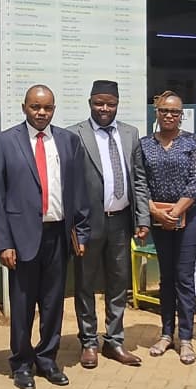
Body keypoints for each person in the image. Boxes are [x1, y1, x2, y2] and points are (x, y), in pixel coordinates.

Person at [0, 85, 89, 389]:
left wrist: (81, 231)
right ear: (24, 108)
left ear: (54, 109)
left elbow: (79, 190)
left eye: (47, 108)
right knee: (22, 305)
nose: (41, 113)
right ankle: (21, 363)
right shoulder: (5, 141)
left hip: (58, 234)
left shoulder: (68, 141)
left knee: (53, 303)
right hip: (21, 238)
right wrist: (4, 243)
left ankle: (47, 359)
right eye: (35, 107)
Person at [69, 80, 149, 369]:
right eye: (99, 103)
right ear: (90, 103)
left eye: (110, 104)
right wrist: (74, 226)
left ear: (117, 104)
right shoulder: (74, 134)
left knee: (118, 282)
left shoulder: (130, 133)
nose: (104, 108)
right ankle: (89, 342)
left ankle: (114, 340)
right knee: (85, 283)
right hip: (88, 224)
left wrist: (142, 218)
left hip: (121, 222)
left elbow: (139, 178)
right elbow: (69, 185)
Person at [134, 91, 196, 364]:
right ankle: (166, 333)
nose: (169, 115)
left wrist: (175, 212)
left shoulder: (194, 142)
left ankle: (185, 337)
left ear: (181, 115)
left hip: (191, 214)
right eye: (164, 110)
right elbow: (140, 181)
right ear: (157, 112)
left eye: (174, 112)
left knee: (183, 275)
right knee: (166, 275)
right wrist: (155, 211)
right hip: (159, 216)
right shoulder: (144, 145)